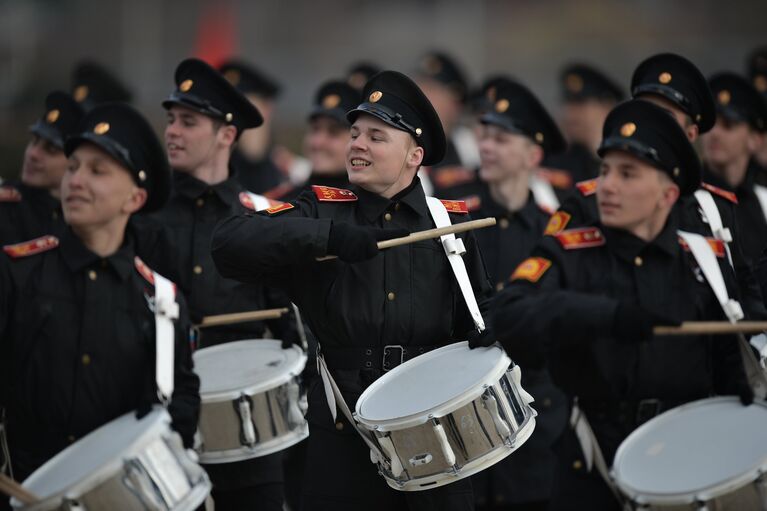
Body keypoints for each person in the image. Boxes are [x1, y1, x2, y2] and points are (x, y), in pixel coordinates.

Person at [212, 70, 493, 511]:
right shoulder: (323, 211)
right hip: (344, 440)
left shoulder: (450, 224)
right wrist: (326, 238)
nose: (357, 144)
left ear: (413, 155)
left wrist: (493, 328)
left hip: (436, 442)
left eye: (377, 137)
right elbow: (229, 244)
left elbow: (483, 312)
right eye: (356, 134)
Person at [481, 99, 752, 510]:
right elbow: (508, 314)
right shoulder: (570, 251)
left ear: (668, 193)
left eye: (628, 174)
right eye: (605, 170)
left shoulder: (704, 260)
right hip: (591, 461)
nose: (607, 186)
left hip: (687, 455)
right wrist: (602, 315)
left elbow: (734, 358)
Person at [0, 103, 200, 510]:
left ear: (135, 197)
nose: (76, 180)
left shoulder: (161, 301)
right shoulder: (15, 273)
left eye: (97, 170)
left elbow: (176, 410)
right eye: (73, 167)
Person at [148, 57, 295, 511]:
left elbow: (291, 333)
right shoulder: (141, 217)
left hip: (248, 439)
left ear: (227, 135)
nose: (172, 131)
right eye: (171, 119)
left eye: (188, 122)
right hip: (160, 435)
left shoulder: (261, 218)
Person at [468, 78, 568, 511]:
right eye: (484, 137)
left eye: (502, 139)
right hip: (469, 421)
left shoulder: (557, 230)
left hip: (540, 419)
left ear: (533, 155)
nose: (486, 147)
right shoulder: (458, 225)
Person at [0, 91, 83, 244]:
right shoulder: (6, 208)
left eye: (51, 149)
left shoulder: (83, 222)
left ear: (74, 163)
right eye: (34, 141)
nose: (33, 154)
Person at [702, 72, 767, 263]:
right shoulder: (685, 198)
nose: (714, 133)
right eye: (711, 123)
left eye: (728, 125)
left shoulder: (763, 202)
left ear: (755, 140)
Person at [544, 63, 624, 184]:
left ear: (606, 106)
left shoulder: (627, 157)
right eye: (567, 103)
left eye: (580, 104)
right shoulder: (554, 163)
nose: (569, 114)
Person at [415, 51, 481, 195]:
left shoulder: (474, 149)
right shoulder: (401, 145)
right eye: (419, 88)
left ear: (455, 101)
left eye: (432, 90)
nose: (421, 97)